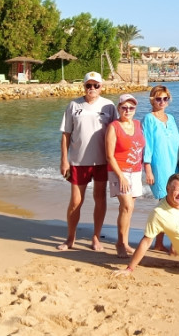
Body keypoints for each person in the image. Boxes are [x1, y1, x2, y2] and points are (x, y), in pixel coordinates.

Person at [57, 71, 118, 251]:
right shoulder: (73, 105)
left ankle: (96, 238)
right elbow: (66, 135)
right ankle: (70, 238)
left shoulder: (109, 106)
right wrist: (64, 160)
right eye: (88, 85)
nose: (92, 88)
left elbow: (117, 133)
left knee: (100, 198)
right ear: (84, 86)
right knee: (76, 201)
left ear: (101, 87)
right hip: (78, 161)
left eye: (96, 85)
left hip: (102, 161)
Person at [105, 94, 146, 258]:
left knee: (128, 209)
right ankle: (120, 244)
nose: (128, 110)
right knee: (127, 206)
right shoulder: (113, 127)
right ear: (118, 108)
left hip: (136, 171)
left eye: (131, 107)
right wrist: (121, 176)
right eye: (124, 107)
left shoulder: (137, 124)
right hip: (119, 171)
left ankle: (125, 242)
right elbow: (109, 156)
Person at [142, 85, 179, 252]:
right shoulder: (149, 119)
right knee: (165, 203)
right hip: (159, 165)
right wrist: (148, 169)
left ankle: (171, 243)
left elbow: (178, 142)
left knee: (174, 202)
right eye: (158, 99)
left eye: (165, 98)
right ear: (152, 100)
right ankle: (158, 242)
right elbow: (147, 145)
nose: (162, 102)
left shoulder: (170, 118)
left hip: (174, 164)